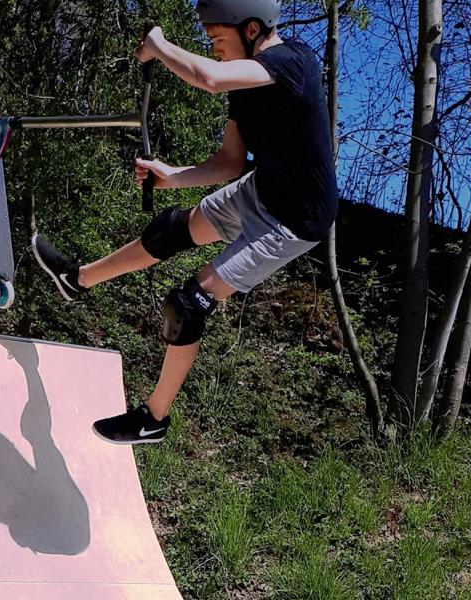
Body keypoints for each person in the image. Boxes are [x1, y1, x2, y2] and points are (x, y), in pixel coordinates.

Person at [31, 0, 338, 444]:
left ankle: (153, 419)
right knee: (171, 229)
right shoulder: (243, 83)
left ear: (251, 29)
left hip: (295, 220)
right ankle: (75, 280)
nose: (213, 49)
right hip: (261, 189)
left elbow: (208, 79)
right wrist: (173, 175)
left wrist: (158, 45)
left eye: (217, 40)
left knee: (189, 303)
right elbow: (231, 161)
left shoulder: (294, 62)